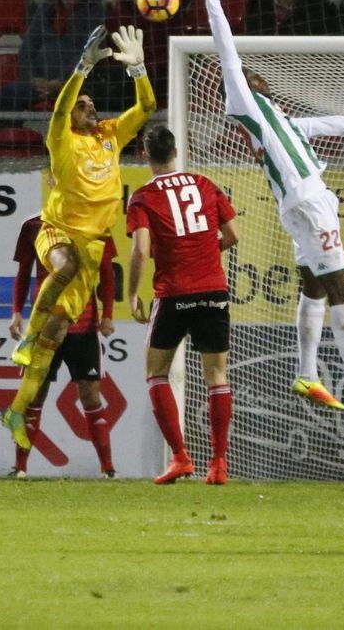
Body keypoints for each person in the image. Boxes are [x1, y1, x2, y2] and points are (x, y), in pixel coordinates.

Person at [205, 0, 344, 417]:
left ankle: (306, 373)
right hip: (309, 200)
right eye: (250, 74)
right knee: (342, 286)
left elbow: (335, 124)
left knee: (315, 285)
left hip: (298, 205)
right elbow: (227, 49)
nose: (258, 75)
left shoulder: (283, 122)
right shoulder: (246, 103)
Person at [0, 25, 156, 450]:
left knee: (56, 333)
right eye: (83, 105)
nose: (91, 108)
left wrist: (138, 69)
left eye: (92, 104)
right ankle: (28, 336)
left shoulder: (109, 136)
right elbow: (61, 108)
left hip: (93, 244)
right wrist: (81, 71)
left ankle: (16, 409)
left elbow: (147, 106)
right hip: (58, 232)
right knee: (62, 268)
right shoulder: (61, 139)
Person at [127, 126, 240, 485]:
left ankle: (180, 458)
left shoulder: (143, 197)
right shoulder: (204, 184)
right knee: (217, 377)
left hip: (174, 293)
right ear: (176, 151)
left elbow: (141, 249)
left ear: (144, 155)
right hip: (212, 289)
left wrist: (132, 294)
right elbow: (234, 234)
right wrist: (207, 255)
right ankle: (219, 464)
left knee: (156, 373)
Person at [6, 213, 118, 479]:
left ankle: (107, 469)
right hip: (46, 326)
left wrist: (108, 315)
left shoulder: (94, 222)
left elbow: (106, 272)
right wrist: (16, 313)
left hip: (84, 324)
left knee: (90, 396)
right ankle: (20, 468)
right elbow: (24, 272)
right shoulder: (34, 226)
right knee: (35, 396)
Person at [0, 0, 110, 114]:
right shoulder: (46, 8)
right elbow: (28, 47)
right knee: (6, 94)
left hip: (78, 83)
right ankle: (9, 136)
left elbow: (89, 52)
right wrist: (34, 79)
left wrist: (62, 81)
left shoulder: (96, 11)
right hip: (40, 83)